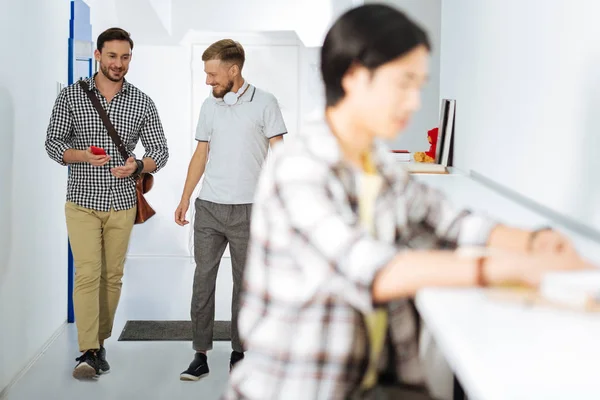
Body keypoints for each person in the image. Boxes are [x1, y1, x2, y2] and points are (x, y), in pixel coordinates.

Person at [223, 4, 591, 399]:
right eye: (404, 83)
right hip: (301, 389)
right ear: (353, 76)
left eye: (420, 84)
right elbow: (374, 270)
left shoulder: (376, 162)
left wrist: (534, 242)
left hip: (373, 382)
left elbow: (449, 219)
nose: (415, 102)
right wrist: (518, 268)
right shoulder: (297, 167)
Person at [45, 27, 169, 380]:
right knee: (88, 272)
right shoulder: (71, 97)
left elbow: (160, 149)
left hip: (122, 200)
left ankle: (98, 343)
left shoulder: (141, 101)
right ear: (98, 55)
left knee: (112, 276)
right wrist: (82, 155)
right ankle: (87, 351)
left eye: (125, 57)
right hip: (82, 200)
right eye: (112, 56)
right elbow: (53, 143)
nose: (119, 63)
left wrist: (139, 165)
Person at [175, 39, 287, 381]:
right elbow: (200, 154)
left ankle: (240, 353)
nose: (208, 81)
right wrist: (184, 198)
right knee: (203, 281)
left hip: (250, 210)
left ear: (233, 70)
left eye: (213, 74)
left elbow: (279, 155)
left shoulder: (265, 102)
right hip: (209, 207)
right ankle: (200, 354)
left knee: (245, 285)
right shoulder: (210, 106)